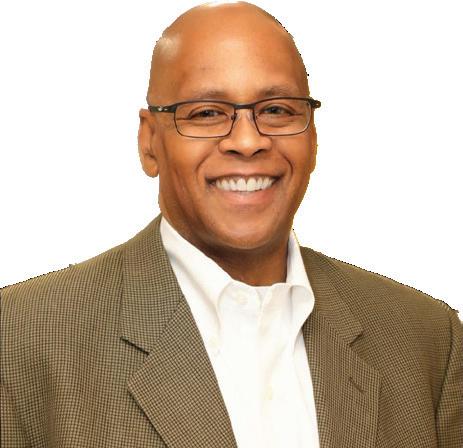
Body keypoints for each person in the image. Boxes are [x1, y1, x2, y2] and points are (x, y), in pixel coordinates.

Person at [1, 2, 461, 447]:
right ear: (149, 142)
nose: (247, 140)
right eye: (206, 113)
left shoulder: (428, 339)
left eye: (277, 110)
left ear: (313, 135)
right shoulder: (21, 337)